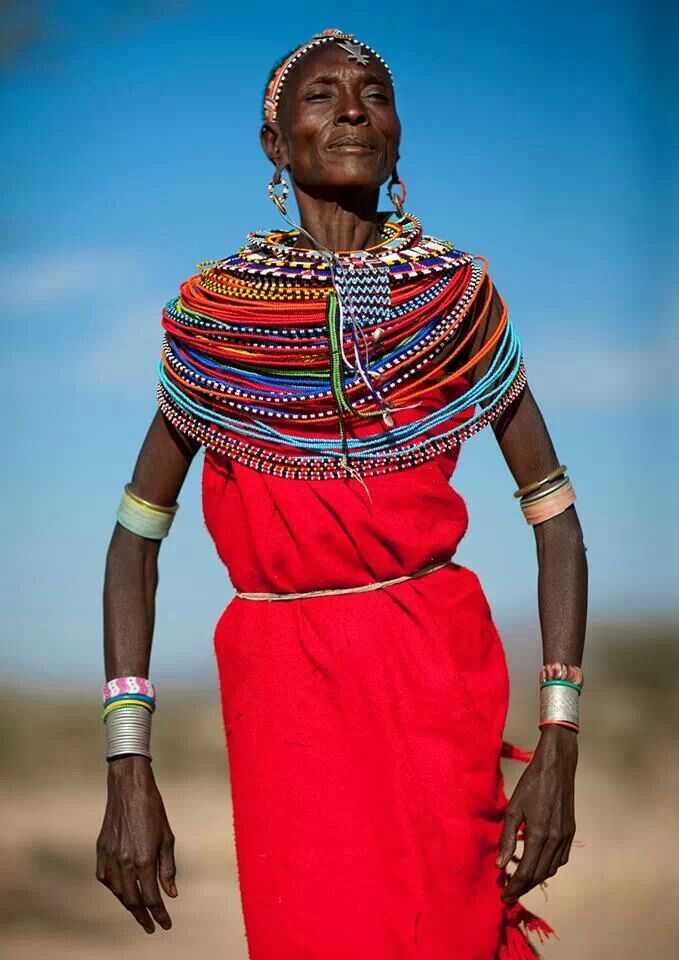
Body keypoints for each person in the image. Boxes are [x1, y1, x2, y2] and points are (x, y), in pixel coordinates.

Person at [95, 28, 586, 960]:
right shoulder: (217, 319)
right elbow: (133, 542)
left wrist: (558, 736)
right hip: (284, 702)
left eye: (372, 93)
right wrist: (128, 763)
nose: (353, 108)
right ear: (275, 145)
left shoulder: (456, 300)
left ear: (397, 136)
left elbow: (555, 518)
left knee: (454, 933)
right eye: (320, 96)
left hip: (434, 679)